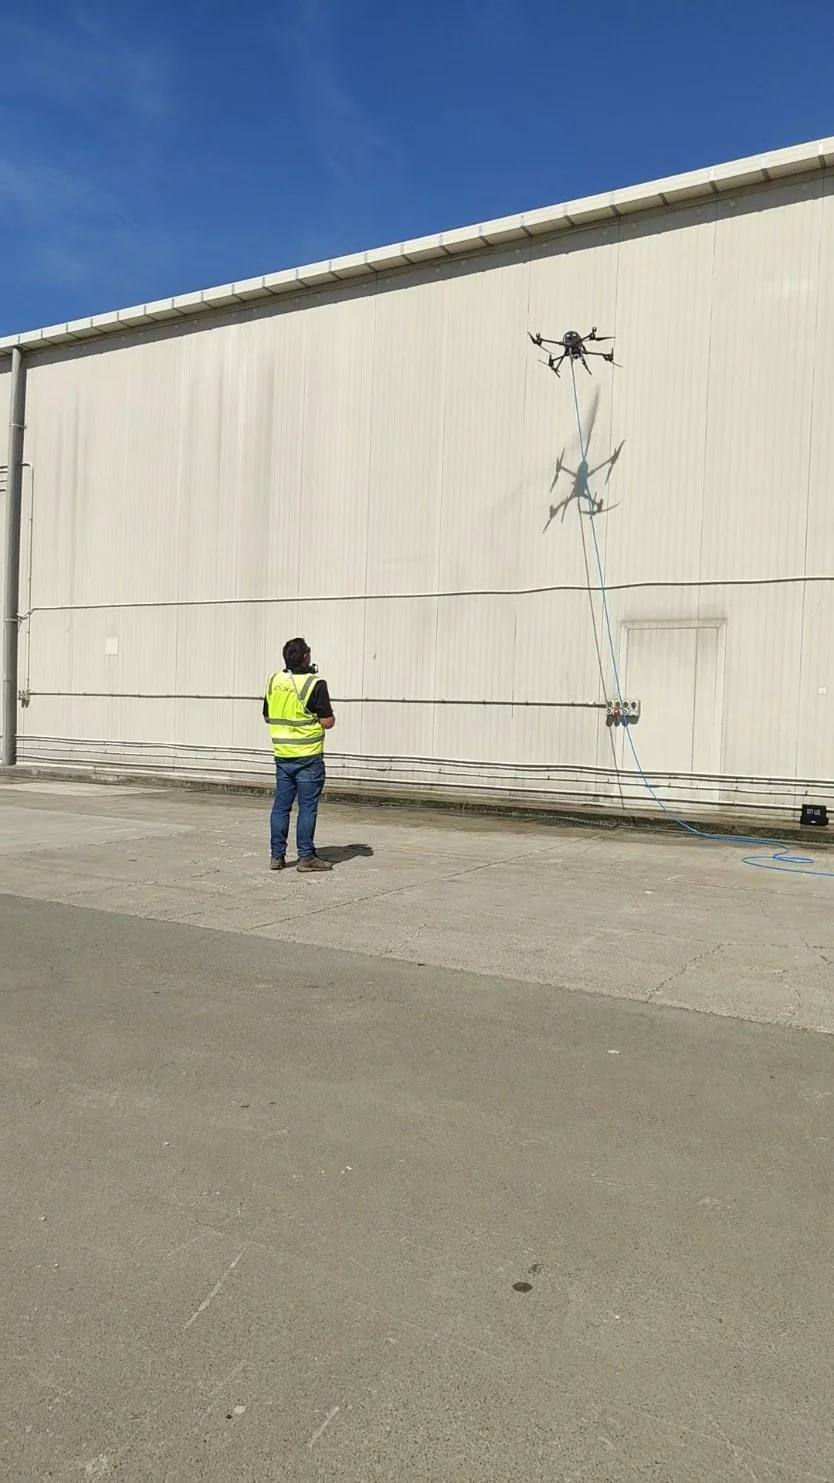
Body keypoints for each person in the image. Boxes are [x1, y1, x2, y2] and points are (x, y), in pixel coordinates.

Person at [263, 638, 335, 873]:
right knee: (307, 808)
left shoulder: (274, 681)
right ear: (305, 657)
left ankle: (277, 857)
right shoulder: (316, 684)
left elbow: (267, 716)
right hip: (308, 757)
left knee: (281, 807)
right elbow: (327, 722)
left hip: (283, 756)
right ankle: (305, 857)